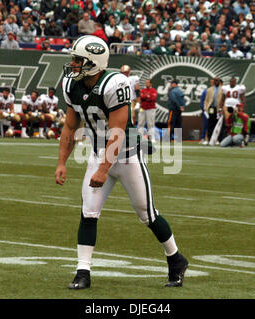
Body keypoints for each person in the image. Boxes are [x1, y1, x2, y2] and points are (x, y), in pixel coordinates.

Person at [55, 35, 188, 290]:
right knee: (89, 211)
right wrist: (62, 162)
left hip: (127, 155)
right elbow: (70, 125)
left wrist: (104, 169)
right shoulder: (71, 84)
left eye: (78, 59)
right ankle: (83, 272)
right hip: (97, 153)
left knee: (146, 213)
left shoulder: (115, 83)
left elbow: (118, 131)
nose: (72, 64)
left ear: (93, 62)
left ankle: (176, 259)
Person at [203, 77, 223, 145]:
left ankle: (217, 139)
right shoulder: (209, 89)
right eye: (215, 81)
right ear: (213, 82)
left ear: (219, 81)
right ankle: (208, 139)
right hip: (211, 108)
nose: (216, 82)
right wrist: (205, 108)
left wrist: (222, 108)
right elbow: (206, 100)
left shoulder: (223, 89)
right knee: (210, 124)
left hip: (219, 109)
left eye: (217, 81)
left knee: (218, 124)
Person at [138, 79, 157, 143]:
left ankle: (152, 138)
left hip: (150, 109)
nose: (146, 84)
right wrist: (147, 96)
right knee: (140, 123)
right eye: (145, 82)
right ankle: (140, 137)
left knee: (150, 124)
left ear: (150, 83)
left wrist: (145, 97)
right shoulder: (143, 90)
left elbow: (153, 98)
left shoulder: (153, 90)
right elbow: (141, 97)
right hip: (143, 108)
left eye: (148, 82)